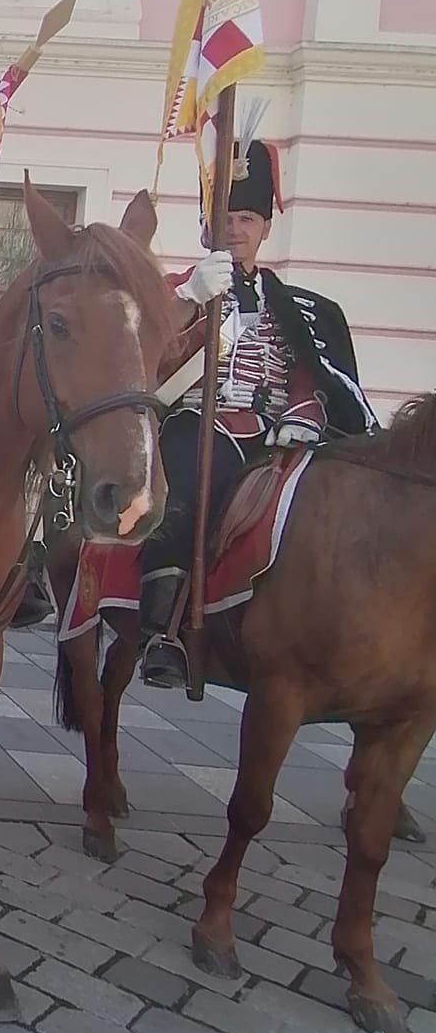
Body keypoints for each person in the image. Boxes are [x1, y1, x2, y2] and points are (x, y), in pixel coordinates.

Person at [140, 137, 374, 688]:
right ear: (207, 225)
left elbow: (308, 369)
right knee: (190, 491)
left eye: (247, 218)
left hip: (274, 430)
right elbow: (147, 356)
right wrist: (190, 299)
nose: (236, 228)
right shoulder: (179, 289)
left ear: (265, 228)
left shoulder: (290, 304)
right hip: (200, 421)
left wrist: (305, 414)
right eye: (225, 217)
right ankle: (161, 631)